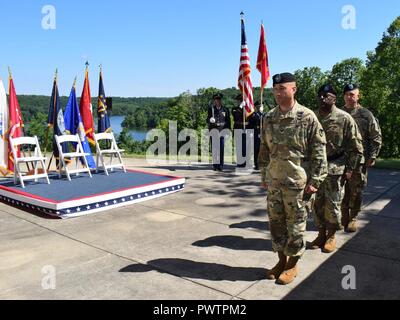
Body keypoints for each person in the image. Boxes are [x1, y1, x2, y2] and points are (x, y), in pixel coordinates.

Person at [259, 72, 328, 285]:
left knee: (296, 228)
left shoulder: (306, 117)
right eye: (276, 89)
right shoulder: (269, 117)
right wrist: (263, 175)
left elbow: (319, 150)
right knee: (276, 226)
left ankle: (292, 265)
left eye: (283, 88)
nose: (278, 93)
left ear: (294, 89)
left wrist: (316, 181)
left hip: (298, 186)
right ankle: (281, 261)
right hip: (274, 182)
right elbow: (264, 149)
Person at [310, 84, 364, 253]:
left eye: (326, 96)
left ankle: (331, 235)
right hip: (316, 169)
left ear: (334, 98)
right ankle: (320, 234)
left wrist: (350, 169)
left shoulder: (344, 118)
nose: (322, 99)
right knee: (317, 203)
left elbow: (356, 147)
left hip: (335, 167)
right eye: (320, 95)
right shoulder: (312, 117)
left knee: (333, 204)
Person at [341, 84, 382, 232]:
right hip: (340, 160)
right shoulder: (338, 113)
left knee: (356, 190)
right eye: (346, 94)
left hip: (359, 159)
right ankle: (343, 216)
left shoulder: (366, 114)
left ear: (358, 96)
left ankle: (353, 217)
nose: (349, 97)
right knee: (340, 190)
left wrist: (372, 155)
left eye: (352, 94)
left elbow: (375, 136)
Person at [207, 92, 231, 171]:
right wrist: (210, 120)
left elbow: (228, 121)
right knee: (214, 149)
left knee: (221, 149)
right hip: (213, 131)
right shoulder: (211, 109)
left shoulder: (225, 109)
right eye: (216, 99)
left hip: (222, 131)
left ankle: (220, 165)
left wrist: (228, 130)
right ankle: (215, 165)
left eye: (219, 99)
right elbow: (207, 119)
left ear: (221, 100)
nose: (217, 101)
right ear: (214, 101)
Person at [232, 93, 248, 168]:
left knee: (245, 147)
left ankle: (244, 162)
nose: (240, 101)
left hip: (245, 129)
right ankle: (240, 162)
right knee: (239, 147)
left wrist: (245, 108)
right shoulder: (234, 109)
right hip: (238, 128)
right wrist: (241, 107)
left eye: (241, 100)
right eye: (239, 100)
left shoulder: (247, 109)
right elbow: (236, 115)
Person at [248, 100, 263, 170]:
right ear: (256, 107)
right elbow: (250, 124)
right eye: (258, 107)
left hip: (262, 133)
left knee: (262, 149)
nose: (259, 108)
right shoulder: (252, 115)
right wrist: (250, 133)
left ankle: (262, 163)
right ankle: (256, 164)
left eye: (260, 106)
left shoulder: (263, 114)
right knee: (256, 149)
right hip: (255, 132)